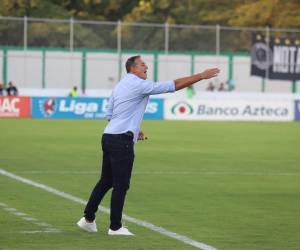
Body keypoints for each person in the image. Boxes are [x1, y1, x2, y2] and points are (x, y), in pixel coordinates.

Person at [77, 55, 219, 236]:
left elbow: (111, 114)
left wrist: (135, 129)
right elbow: (172, 86)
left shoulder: (120, 85)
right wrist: (201, 75)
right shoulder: (138, 84)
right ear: (132, 69)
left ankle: (88, 219)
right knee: (121, 185)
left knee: (106, 181)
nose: (147, 68)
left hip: (109, 136)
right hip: (121, 140)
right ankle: (115, 227)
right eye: (143, 65)